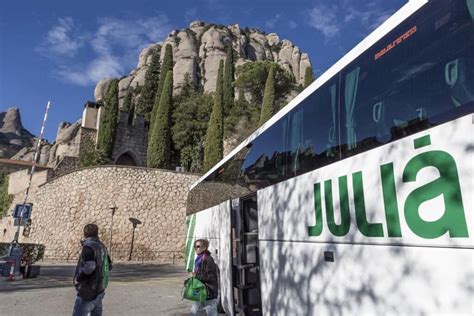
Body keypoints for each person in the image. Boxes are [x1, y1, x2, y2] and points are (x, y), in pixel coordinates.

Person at [72, 223, 112, 316]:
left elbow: (90, 266)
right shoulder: (102, 247)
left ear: (85, 233)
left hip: (88, 289)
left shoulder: (88, 246)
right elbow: (109, 265)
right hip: (100, 288)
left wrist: (79, 277)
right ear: (97, 233)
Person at [190, 239, 219, 316]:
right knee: (195, 311)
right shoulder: (199, 259)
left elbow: (211, 277)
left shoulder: (208, 259)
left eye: (198, 246)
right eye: (194, 247)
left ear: (205, 247)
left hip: (209, 291)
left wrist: (196, 276)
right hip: (200, 290)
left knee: (210, 311)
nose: (195, 248)